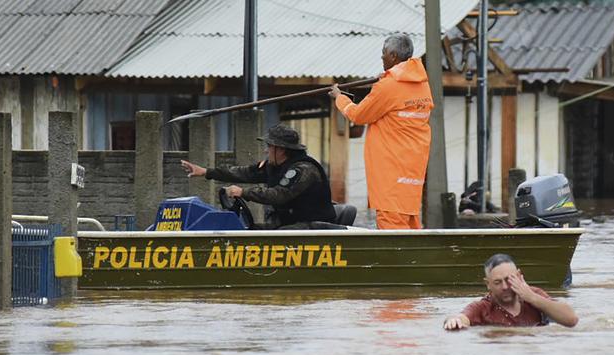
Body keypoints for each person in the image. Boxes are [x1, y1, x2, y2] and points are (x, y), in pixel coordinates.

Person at [329, 33, 433, 230]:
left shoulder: (389, 86)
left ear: (393, 56)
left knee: (392, 229)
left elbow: (359, 115)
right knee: (410, 222)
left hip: (391, 171)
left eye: (384, 54)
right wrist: (384, 80)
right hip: (412, 170)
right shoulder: (421, 84)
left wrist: (339, 98)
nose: (382, 58)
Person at [179, 124, 335, 229]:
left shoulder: (303, 170)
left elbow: (278, 195)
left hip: (313, 227)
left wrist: (243, 192)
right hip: (289, 224)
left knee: (267, 237)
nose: (266, 151)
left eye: (269, 146)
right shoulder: (274, 166)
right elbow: (245, 173)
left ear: (281, 149)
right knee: (250, 230)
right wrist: (207, 172)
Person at [444, 253, 579, 330]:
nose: (504, 287)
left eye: (509, 280)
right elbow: (462, 317)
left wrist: (532, 298)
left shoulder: (534, 295)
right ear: (488, 284)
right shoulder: (483, 308)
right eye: (497, 282)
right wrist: (453, 321)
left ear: (519, 276)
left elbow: (571, 320)